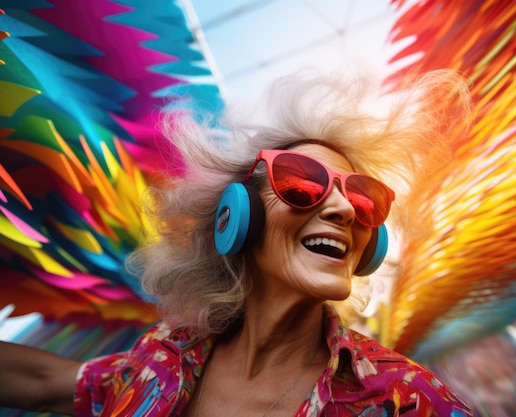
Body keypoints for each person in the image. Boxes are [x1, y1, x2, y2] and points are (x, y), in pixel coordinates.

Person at [0, 67, 474, 416]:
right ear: (235, 215)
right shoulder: (165, 355)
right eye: (304, 183)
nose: (346, 209)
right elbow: (43, 382)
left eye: (364, 199)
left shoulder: (406, 399)